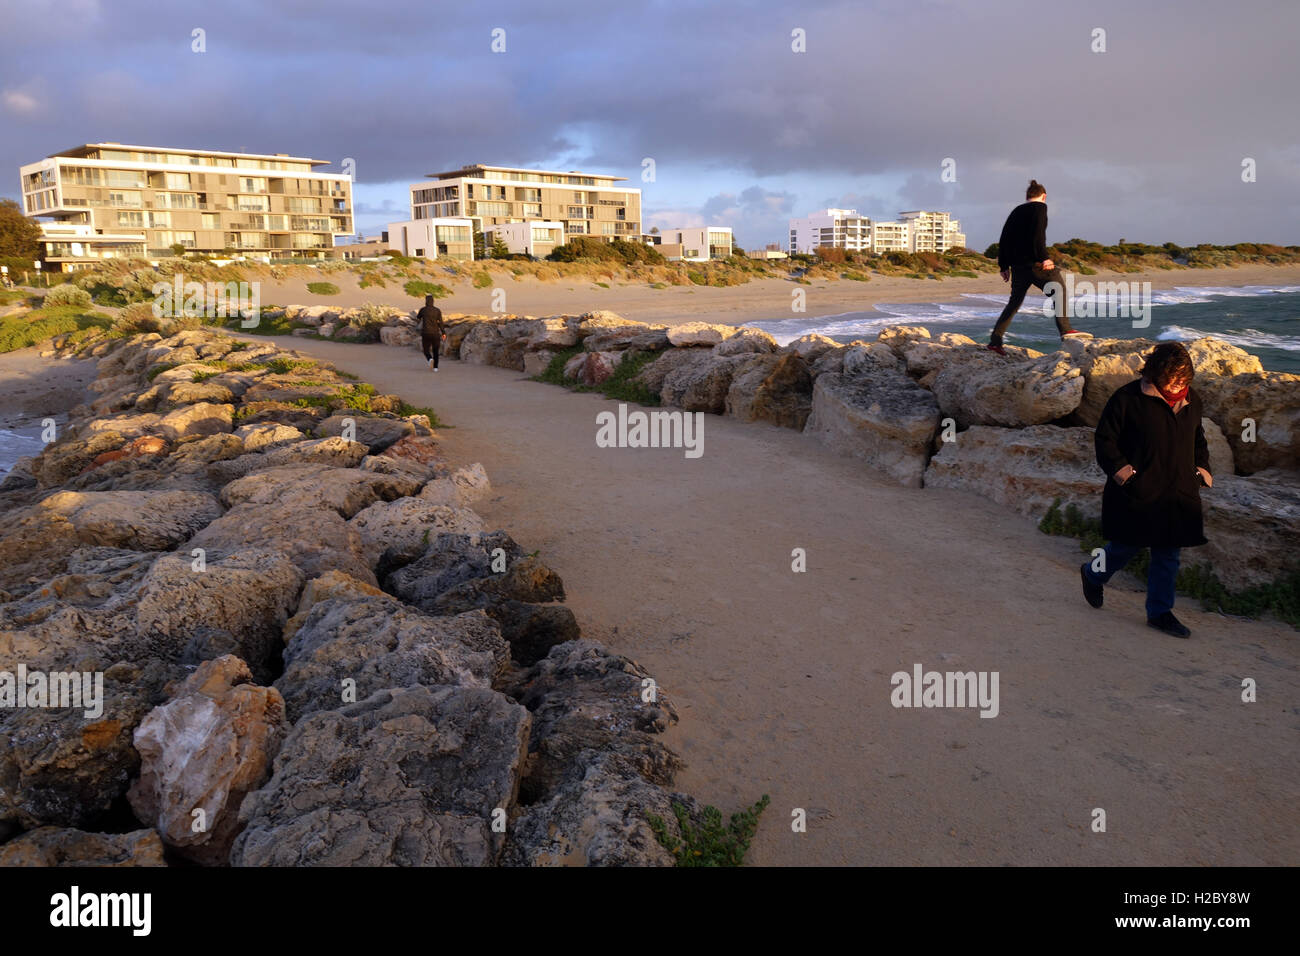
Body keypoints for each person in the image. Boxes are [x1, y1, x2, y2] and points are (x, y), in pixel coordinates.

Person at [1080, 342, 1213, 638]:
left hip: (1178, 491)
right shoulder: (1127, 398)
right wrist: (1125, 474)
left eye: (1184, 376)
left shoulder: (1193, 399)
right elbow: (1105, 440)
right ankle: (1092, 574)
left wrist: (1202, 470)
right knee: (1126, 546)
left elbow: (1198, 440)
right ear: (1154, 372)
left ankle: (1160, 612)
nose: (1178, 382)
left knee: (1168, 553)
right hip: (1138, 490)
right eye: (1172, 376)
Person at [987, 179, 1088, 354]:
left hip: (1017, 267)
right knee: (1060, 291)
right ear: (1044, 196)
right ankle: (1065, 330)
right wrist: (1044, 258)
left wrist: (1003, 266)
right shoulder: (1040, 208)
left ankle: (995, 342)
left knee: (1014, 303)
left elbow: (1004, 239)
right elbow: (1038, 235)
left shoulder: (1016, 211)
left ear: (1027, 196)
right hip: (1035, 265)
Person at [416, 294, 445, 371]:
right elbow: (441, 323)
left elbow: (418, 317)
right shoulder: (437, 310)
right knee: (436, 350)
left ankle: (429, 359)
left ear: (426, 301)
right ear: (433, 301)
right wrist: (443, 333)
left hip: (426, 333)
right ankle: (436, 368)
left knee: (426, 350)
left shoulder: (423, 310)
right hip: (435, 333)